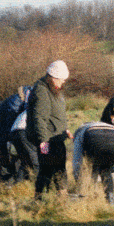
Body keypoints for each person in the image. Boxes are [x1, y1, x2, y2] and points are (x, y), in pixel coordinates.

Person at [27, 60, 72, 198]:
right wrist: (43, 140)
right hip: (47, 138)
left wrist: (65, 130)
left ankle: (58, 196)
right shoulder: (42, 91)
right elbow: (39, 118)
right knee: (49, 168)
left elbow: (56, 115)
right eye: (61, 79)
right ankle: (40, 198)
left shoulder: (54, 90)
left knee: (57, 167)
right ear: (53, 77)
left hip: (57, 136)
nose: (63, 82)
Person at [0, 85, 31, 184]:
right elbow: (12, 118)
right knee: (6, 154)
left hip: (7, 128)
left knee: (15, 155)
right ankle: (6, 183)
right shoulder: (17, 101)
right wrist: (12, 137)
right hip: (2, 129)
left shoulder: (23, 99)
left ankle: (14, 182)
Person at [72, 122, 114, 204]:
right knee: (107, 169)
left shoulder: (78, 134)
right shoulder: (90, 127)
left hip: (94, 137)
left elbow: (77, 160)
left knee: (94, 168)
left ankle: (91, 197)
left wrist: (78, 179)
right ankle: (110, 199)